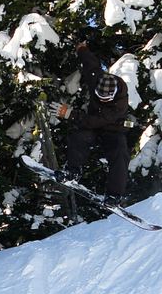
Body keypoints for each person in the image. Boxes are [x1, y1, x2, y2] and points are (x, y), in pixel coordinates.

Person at [49, 43, 130, 207]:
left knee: (120, 152)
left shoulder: (119, 104)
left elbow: (95, 120)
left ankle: (114, 195)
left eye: (105, 99)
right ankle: (72, 171)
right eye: (99, 97)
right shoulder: (97, 79)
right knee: (79, 136)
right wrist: (82, 49)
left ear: (113, 96)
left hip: (113, 130)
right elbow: (90, 64)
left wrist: (69, 114)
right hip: (94, 128)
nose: (102, 100)